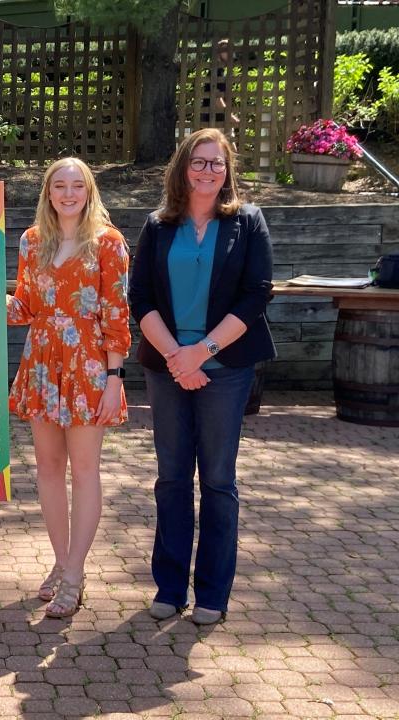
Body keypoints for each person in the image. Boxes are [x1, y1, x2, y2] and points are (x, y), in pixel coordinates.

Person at [128, 128, 275, 625]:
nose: (207, 171)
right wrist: (176, 356)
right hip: (168, 366)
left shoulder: (248, 222)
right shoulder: (157, 224)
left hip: (226, 368)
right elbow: (141, 298)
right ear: (182, 168)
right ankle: (170, 586)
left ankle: (212, 592)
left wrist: (203, 351)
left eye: (217, 163)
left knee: (216, 479)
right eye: (198, 162)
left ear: (228, 169)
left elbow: (256, 295)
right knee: (171, 478)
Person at [7, 157, 131, 618]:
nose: (68, 193)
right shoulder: (33, 241)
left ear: (89, 190)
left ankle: (75, 573)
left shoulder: (109, 244)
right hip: (42, 363)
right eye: (59, 185)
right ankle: (61, 562)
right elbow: (26, 306)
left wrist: (114, 379)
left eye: (76, 185)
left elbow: (117, 315)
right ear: (48, 192)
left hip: (88, 367)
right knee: (47, 468)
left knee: (84, 470)